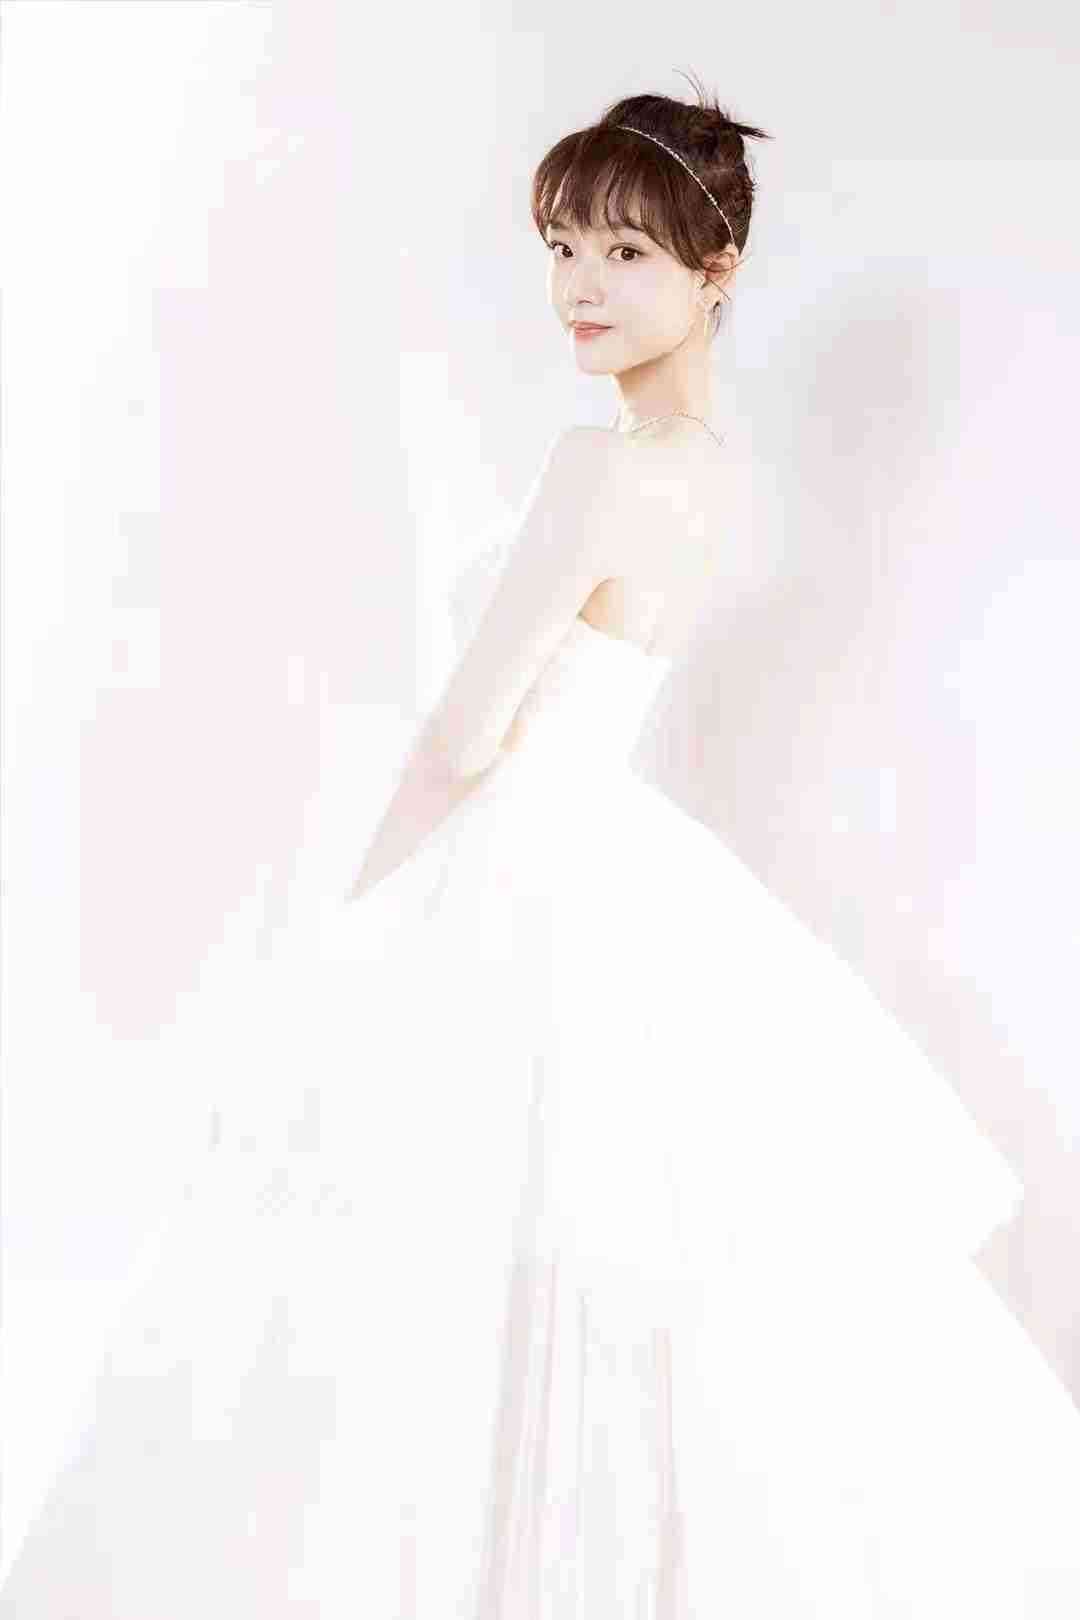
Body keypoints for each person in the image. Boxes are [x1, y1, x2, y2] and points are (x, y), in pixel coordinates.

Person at [5, 77, 1080, 1620]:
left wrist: (355, 918)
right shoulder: (715, 472)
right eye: (564, 247)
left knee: (421, 1269)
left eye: (626, 253)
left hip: (523, 858)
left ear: (716, 271)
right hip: (612, 868)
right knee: (605, 1275)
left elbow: (464, 734)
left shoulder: (599, 467)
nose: (580, 285)